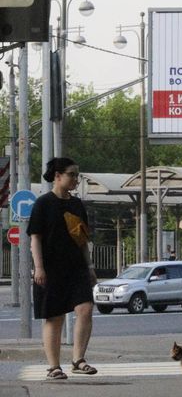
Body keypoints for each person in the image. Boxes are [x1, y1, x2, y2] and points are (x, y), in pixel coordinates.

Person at [28, 157, 98, 380]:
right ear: (58, 176)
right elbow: (35, 239)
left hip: (76, 267)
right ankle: (54, 367)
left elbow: (82, 239)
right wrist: (39, 268)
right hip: (50, 269)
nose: (76, 179)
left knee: (85, 308)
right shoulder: (43, 203)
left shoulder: (77, 205)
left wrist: (90, 266)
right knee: (54, 317)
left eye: (77, 175)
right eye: (72, 174)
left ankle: (78, 360)